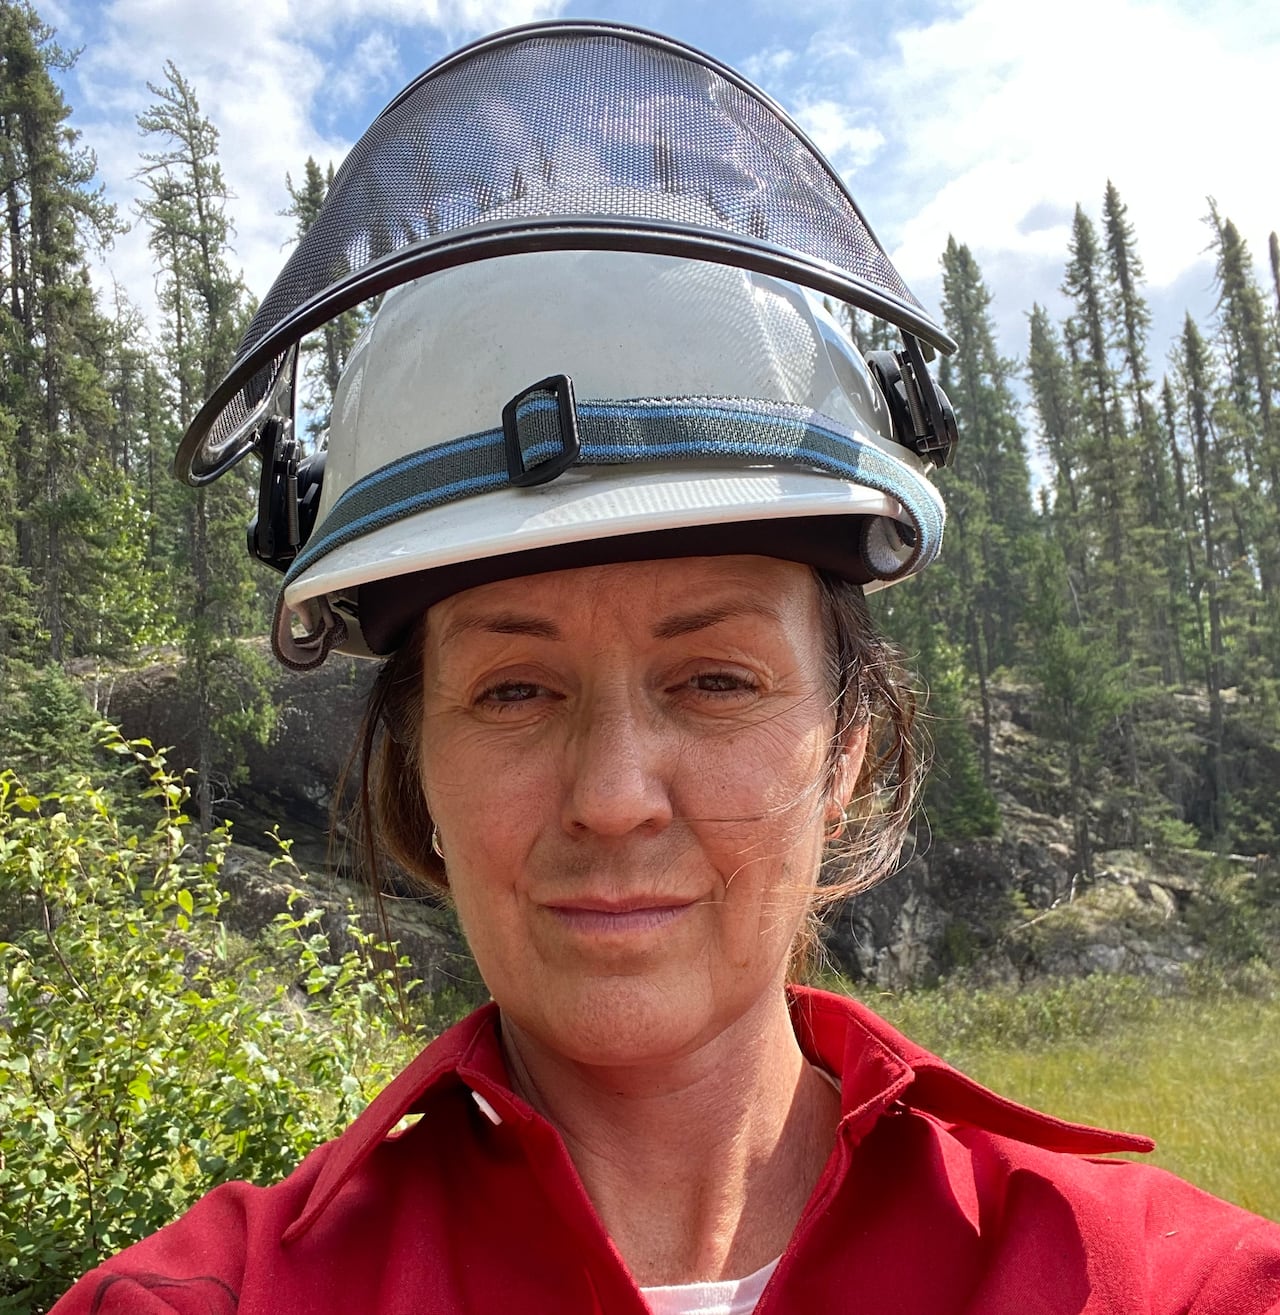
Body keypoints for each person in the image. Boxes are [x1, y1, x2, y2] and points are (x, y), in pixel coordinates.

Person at [54, 20, 1280, 1315]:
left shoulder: (1155, 1287)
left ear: (847, 749)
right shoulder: (211, 1301)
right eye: (515, 691)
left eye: (714, 681)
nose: (613, 797)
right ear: (416, 766)